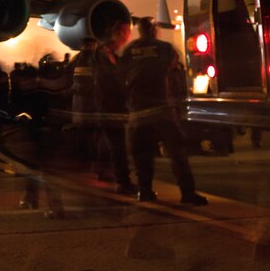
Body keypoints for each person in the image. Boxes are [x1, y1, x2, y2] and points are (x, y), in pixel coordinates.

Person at [121, 16, 208, 205]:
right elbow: (174, 69)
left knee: (142, 155)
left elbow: (121, 74)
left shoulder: (128, 50)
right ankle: (187, 193)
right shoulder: (165, 48)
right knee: (177, 152)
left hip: (137, 111)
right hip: (161, 108)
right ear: (154, 30)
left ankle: (144, 192)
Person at [94, 20, 135, 195]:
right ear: (118, 33)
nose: (128, 36)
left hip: (113, 107)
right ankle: (122, 181)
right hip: (109, 107)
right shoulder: (102, 53)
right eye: (127, 32)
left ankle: (105, 171)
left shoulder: (112, 54)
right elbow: (108, 80)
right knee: (117, 145)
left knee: (111, 143)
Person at [68, 37, 101, 171]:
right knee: (92, 135)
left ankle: (82, 160)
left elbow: (68, 78)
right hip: (92, 104)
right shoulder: (97, 59)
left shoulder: (75, 60)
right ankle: (91, 160)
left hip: (79, 104)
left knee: (83, 133)